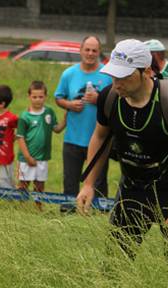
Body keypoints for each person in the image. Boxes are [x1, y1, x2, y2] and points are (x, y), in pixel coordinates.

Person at [76, 39, 168, 257]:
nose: (117, 83)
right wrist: (89, 184)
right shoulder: (109, 97)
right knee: (115, 264)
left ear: (146, 71)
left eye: (124, 76)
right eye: (114, 75)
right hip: (132, 188)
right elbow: (99, 137)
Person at [54, 36, 112, 211]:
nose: (90, 54)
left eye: (94, 50)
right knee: (70, 181)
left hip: (99, 140)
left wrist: (99, 99)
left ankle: (98, 215)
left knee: (99, 182)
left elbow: (117, 101)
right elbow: (58, 98)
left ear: (99, 52)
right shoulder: (69, 74)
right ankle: (68, 215)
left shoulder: (107, 74)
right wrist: (69, 104)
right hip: (73, 138)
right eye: (87, 49)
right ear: (80, 51)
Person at [16, 81, 66, 209]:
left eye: (40, 97)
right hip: (26, 159)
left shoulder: (49, 112)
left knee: (39, 185)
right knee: (23, 184)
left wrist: (66, 117)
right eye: (34, 97)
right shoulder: (24, 116)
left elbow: (57, 129)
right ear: (29, 97)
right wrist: (27, 157)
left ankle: (39, 207)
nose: (37, 100)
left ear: (45, 96)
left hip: (42, 157)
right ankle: (21, 207)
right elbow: (20, 138)